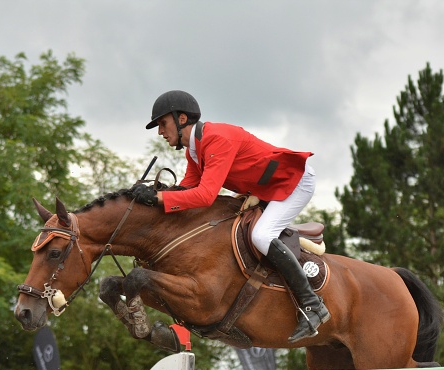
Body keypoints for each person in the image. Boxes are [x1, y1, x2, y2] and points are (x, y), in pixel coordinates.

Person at [133, 90, 330, 342]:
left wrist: (159, 198)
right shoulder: (193, 151)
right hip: (267, 188)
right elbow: (186, 190)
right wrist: (153, 194)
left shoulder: (217, 138)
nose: (160, 131)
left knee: (261, 236)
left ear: (181, 118)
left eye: (162, 123)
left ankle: (313, 305)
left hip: (293, 184)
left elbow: (205, 195)